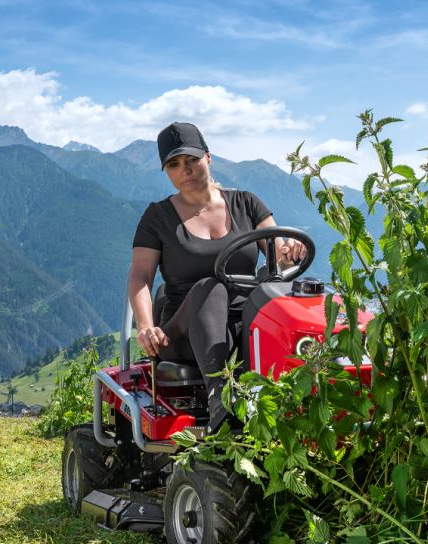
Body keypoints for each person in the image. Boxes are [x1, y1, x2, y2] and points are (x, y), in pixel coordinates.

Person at [128, 122, 306, 429]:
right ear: (166, 171)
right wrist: (145, 326)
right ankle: (221, 401)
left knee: (283, 290)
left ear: (208, 158)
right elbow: (140, 276)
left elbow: (277, 250)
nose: (185, 170)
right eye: (174, 164)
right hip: (182, 334)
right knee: (211, 286)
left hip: (244, 326)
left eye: (192, 159)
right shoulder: (157, 217)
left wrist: (289, 249)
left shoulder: (246, 203)